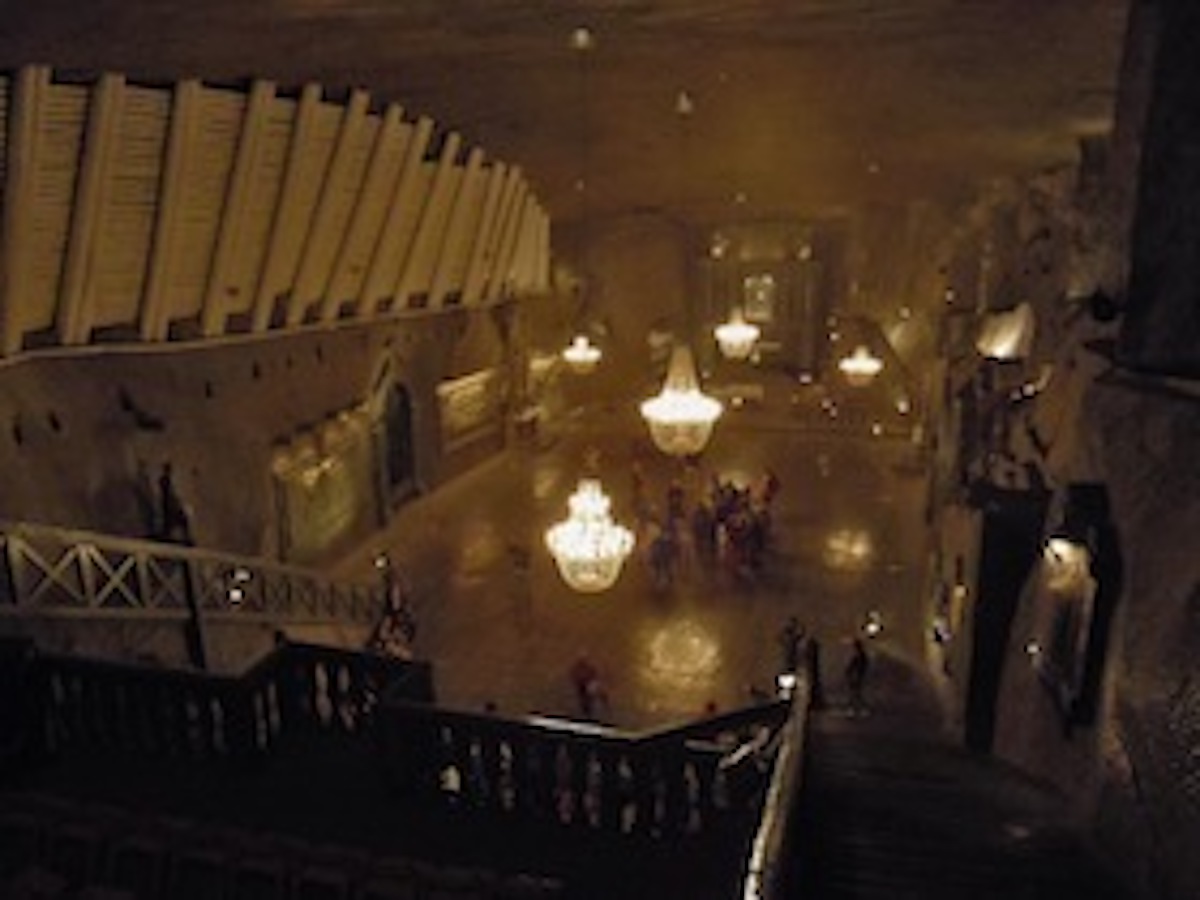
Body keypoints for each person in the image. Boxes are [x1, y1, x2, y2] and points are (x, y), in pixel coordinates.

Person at [845, 638, 870, 714]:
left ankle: (857, 708)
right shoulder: (859, 656)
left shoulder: (860, 656)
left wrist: (852, 673)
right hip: (857, 676)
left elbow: (855, 667)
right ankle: (856, 708)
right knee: (855, 693)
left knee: (856, 693)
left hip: (857, 676)